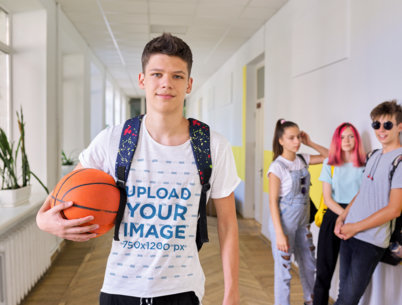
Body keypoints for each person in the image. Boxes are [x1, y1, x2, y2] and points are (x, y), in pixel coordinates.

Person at [36, 33, 241, 305]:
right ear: (142, 80)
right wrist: (43, 219)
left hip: (182, 289)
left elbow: (227, 223)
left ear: (189, 84)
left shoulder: (212, 145)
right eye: (157, 74)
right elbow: (63, 193)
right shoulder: (114, 139)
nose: (166, 83)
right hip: (120, 286)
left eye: (177, 76)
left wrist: (232, 292)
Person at [334, 100, 402, 305]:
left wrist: (356, 227)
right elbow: (362, 192)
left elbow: (394, 209)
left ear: (400, 126)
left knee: (348, 299)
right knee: (342, 293)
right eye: (376, 125)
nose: (381, 130)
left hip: (371, 239)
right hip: (350, 232)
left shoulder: (399, 161)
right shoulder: (373, 155)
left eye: (387, 125)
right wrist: (343, 216)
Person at [267, 119, 328, 305]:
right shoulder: (277, 167)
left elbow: (330, 156)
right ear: (281, 141)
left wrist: (310, 143)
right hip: (284, 226)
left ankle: (311, 300)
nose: (296, 142)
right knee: (284, 272)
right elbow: (272, 202)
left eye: (298, 137)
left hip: (303, 225)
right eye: (291, 138)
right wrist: (279, 234)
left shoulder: (303, 159)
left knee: (310, 265)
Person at [313, 123, 366, 305]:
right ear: (337, 140)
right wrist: (344, 216)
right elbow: (327, 199)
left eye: (351, 136)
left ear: (357, 139)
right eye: (342, 137)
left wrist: (350, 218)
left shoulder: (364, 164)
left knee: (349, 274)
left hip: (357, 219)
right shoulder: (330, 164)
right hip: (333, 216)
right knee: (323, 271)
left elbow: (364, 195)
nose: (347, 141)